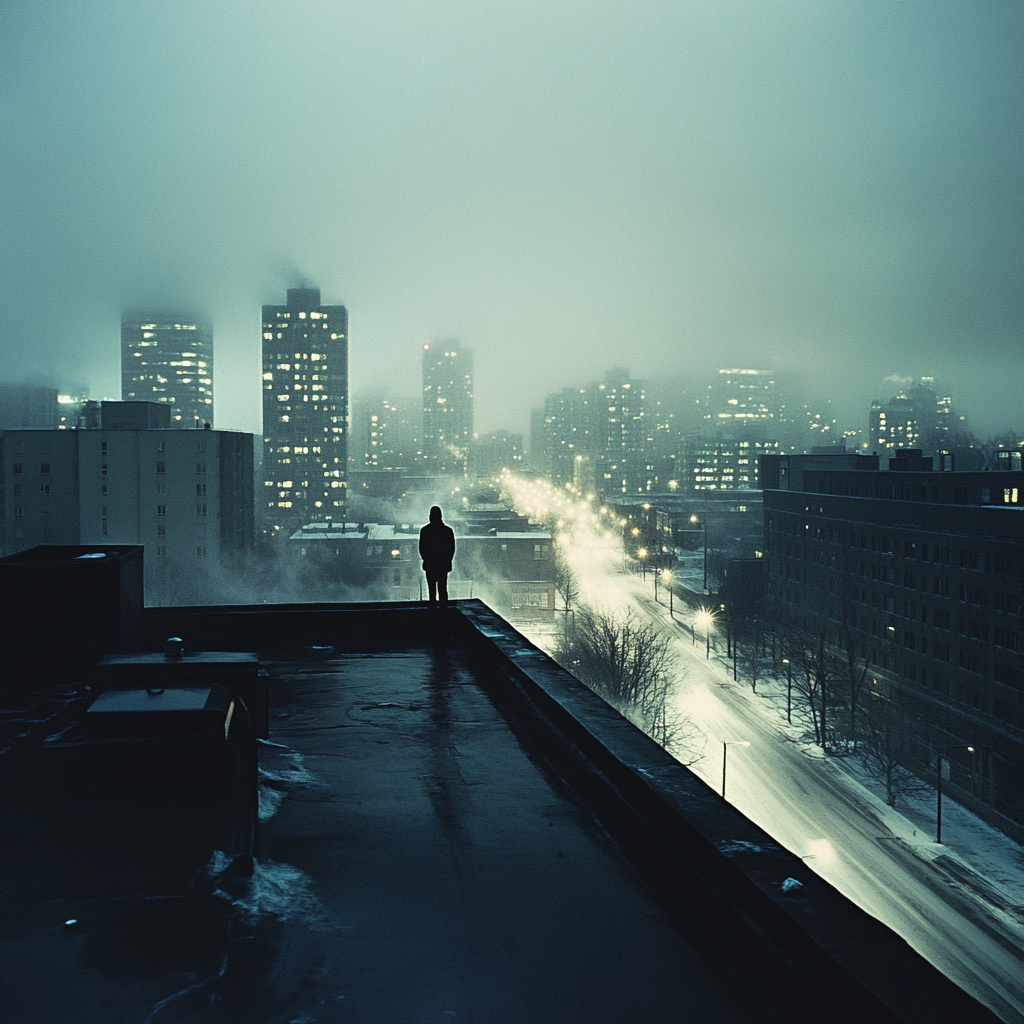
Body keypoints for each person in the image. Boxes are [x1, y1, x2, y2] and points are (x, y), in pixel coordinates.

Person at [419, 505, 456, 608]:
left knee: (431, 589)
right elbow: (451, 549)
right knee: (442, 588)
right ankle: (443, 611)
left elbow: (422, 548)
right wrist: (447, 561)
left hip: (430, 564)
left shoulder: (425, 531)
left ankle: (433, 610)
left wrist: (426, 560)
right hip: (442, 565)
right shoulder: (447, 531)